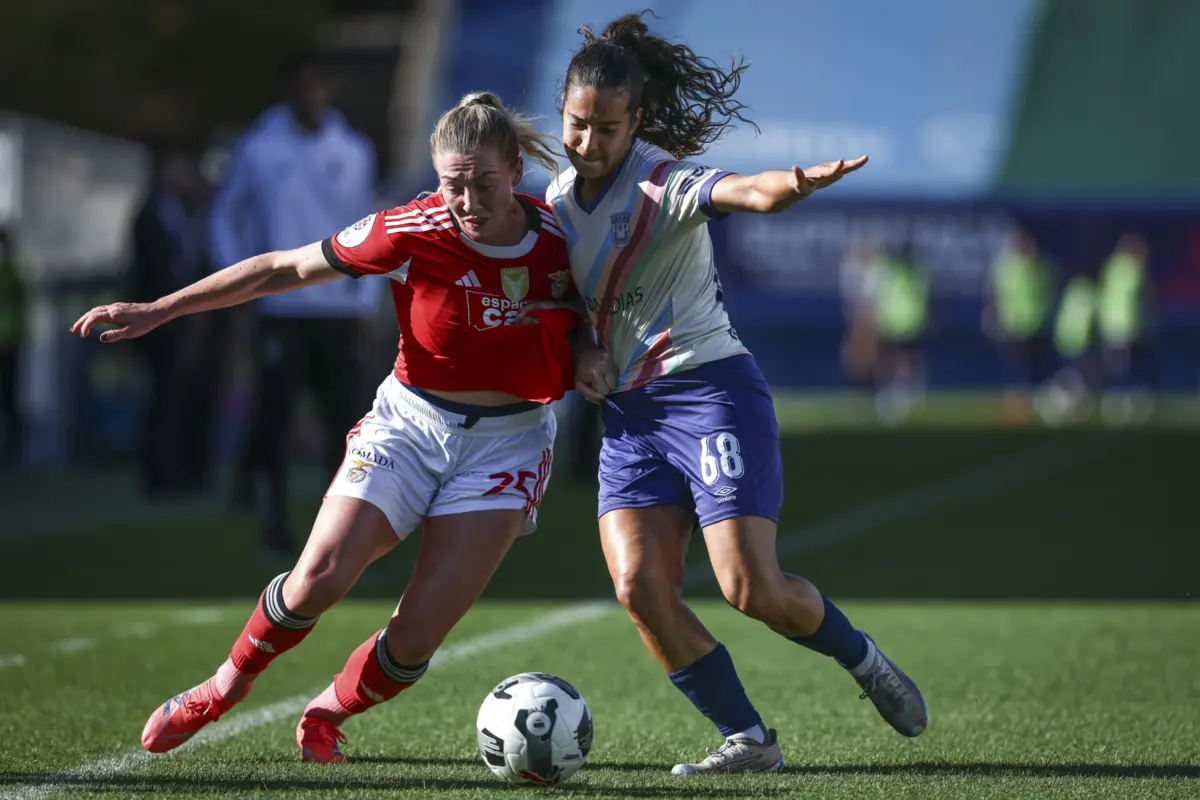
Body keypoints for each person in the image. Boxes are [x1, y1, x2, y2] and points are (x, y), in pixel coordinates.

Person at [73, 92, 582, 763]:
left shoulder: (562, 242)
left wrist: (595, 358)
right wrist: (160, 309)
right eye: (452, 185)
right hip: (410, 423)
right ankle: (222, 688)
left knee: (417, 638)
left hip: (507, 442)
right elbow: (283, 267)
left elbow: (606, 323)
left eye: (483, 183)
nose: (467, 201)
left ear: (516, 171)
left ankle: (327, 711)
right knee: (319, 576)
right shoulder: (410, 229)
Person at [544, 12, 927, 775]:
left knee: (751, 588)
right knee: (638, 586)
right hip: (629, 416)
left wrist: (792, 184)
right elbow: (573, 312)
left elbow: (742, 189)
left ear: (638, 122)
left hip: (709, 393)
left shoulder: (661, 180)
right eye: (577, 124)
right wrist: (585, 350)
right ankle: (749, 740)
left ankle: (864, 661)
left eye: (607, 128)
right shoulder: (555, 202)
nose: (589, 142)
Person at [211, 51, 382, 555]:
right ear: (289, 91)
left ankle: (340, 530)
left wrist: (364, 297)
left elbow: (370, 224)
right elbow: (225, 217)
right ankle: (274, 520)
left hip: (338, 309)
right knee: (274, 418)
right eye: (300, 87)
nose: (309, 96)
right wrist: (237, 282)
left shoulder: (354, 150)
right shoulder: (260, 148)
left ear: (327, 89)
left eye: (317, 86)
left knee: (346, 423)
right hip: (281, 308)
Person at [0, 229, 26, 465]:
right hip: (10, 341)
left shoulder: (12, 273)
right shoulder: (12, 272)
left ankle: (14, 446)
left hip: (8, 344)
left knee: (9, 396)